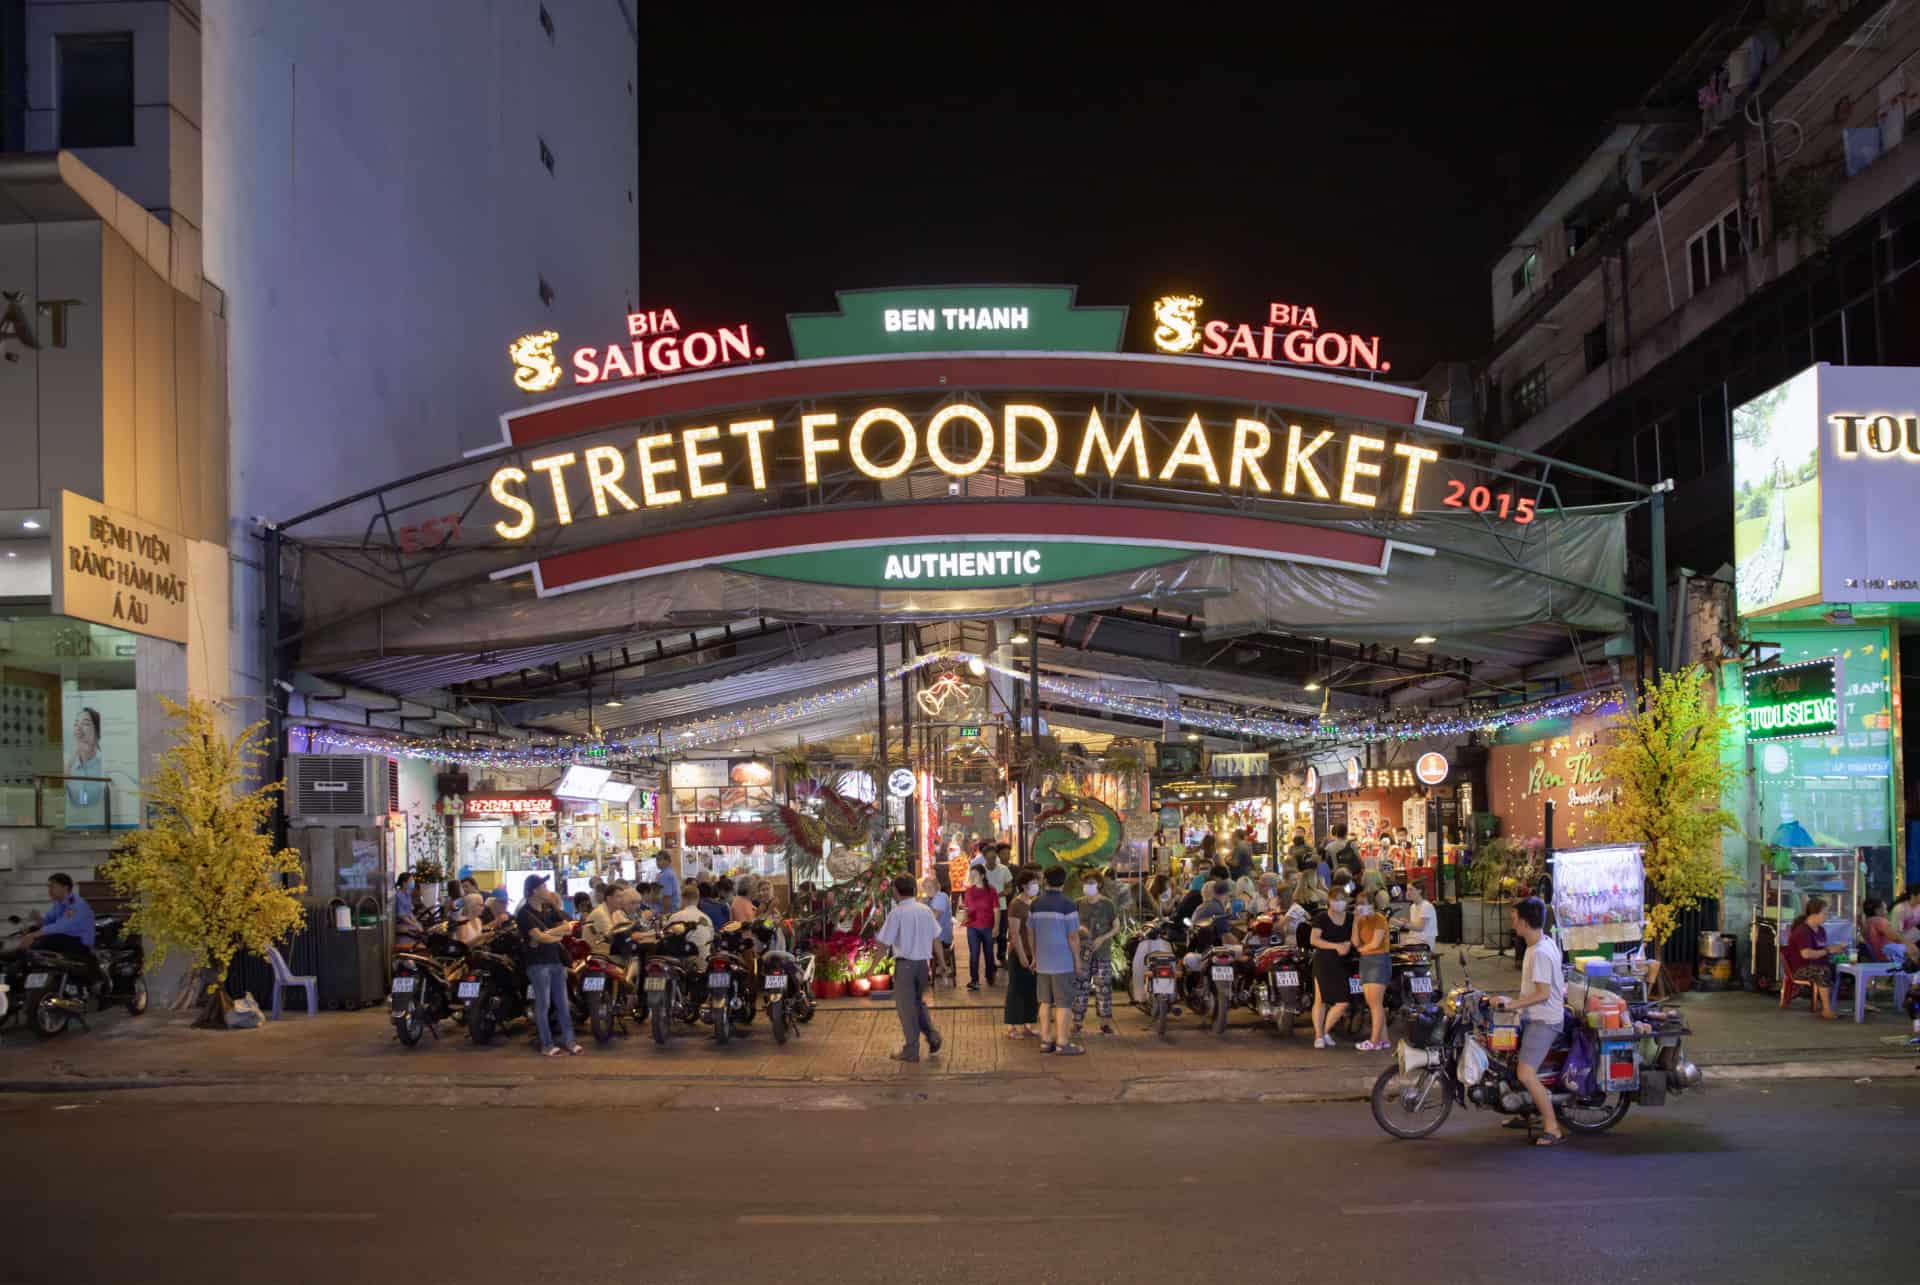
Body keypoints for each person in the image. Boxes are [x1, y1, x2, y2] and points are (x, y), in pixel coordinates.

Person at [1491, 897, 1566, 1145]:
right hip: (1534, 1014)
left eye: (1514, 920)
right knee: (1507, 1057)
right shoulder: (1538, 945)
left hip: (1544, 1020)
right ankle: (1525, 1110)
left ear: (1524, 922)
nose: (1512, 925)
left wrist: (1512, 1005)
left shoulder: (1541, 953)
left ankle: (1552, 1127)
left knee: (1525, 1073)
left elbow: (1543, 994)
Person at [876, 874, 943, 1062]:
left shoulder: (897, 913)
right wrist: (943, 964)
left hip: (905, 966)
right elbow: (936, 938)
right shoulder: (925, 910)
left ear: (896, 891)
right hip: (923, 966)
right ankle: (932, 1036)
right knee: (917, 1003)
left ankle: (911, 1049)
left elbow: (884, 943)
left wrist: (871, 967)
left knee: (906, 1008)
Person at [515, 876, 582, 1057]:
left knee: (562, 1003)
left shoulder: (549, 908)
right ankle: (547, 1044)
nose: (546, 889)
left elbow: (567, 927)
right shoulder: (524, 913)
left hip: (555, 961)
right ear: (534, 890)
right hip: (537, 964)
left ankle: (570, 1041)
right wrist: (552, 936)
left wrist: (549, 934)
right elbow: (538, 937)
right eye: (543, 886)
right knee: (543, 1004)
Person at [1029, 866, 1083, 1056]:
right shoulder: (1068, 905)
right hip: (1063, 961)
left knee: (1044, 1002)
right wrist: (1077, 960)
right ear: (1064, 881)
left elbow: (1031, 933)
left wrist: (1035, 956)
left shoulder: (1035, 904)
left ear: (1045, 880)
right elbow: (1073, 937)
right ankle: (1062, 1042)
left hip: (1043, 960)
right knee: (1063, 1003)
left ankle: (1046, 1040)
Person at [1073, 869, 1118, 1037]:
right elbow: (1071, 926)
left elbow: (1116, 926)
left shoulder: (1108, 904)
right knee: (1080, 987)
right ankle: (1077, 1023)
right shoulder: (1077, 903)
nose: (1088, 886)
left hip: (1102, 953)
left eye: (1091, 883)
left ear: (1099, 884)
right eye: (1086, 883)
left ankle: (1105, 1024)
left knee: (1104, 988)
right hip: (1082, 953)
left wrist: (1102, 938)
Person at [1309, 887, 1354, 1049]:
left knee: (1343, 1001)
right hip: (1324, 961)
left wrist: (1348, 944)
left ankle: (1325, 1031)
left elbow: (1355, 936)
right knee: (1320, 1000)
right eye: (1335, 899)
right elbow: (1314, 940)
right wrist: (1335, 946)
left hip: (1344, 962)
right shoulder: (1321, 917)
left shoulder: (1350, 918)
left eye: (1342, 899)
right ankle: (1318, 1035)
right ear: (1329, 900)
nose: (1339, 903)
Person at [1785, 897, 1840, 1018]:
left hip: (1817, 963)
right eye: (1824, 913)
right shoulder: (1802, 931)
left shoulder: (1821, 930)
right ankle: (1826, 1009)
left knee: (1841, 966)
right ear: (1814, 914)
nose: (1827, 916)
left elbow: (1822, 951)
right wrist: (1828, 950)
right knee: (1822, 971)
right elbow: (1806, 954)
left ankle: (1833, 1004)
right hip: (1801, 968)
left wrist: (1836, 952)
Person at [20, 872, 94, 960]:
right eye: (49, 887)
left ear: (65, 888)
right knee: (33, 932)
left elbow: (61, 926)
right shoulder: (59, 902)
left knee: (41, 942)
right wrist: (38, 920)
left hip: (80, 942)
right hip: (66, 937)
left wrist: (33, 935)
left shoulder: (75, 904)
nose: (49, 890)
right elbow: (48, 921)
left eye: (52, 887)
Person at [1002, 868, 1040, 1040]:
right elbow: (1015, 933)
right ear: (1024, 885)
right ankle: (1011, 1026)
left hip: (1033, 952)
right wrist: (1023, 956)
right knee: (1016, 990)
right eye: (1033, 882)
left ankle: (1027, 1024)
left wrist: (1034, 955)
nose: (1036, 885)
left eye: (1037, 882)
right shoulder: (1016, 904)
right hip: (1019, 953)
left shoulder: (1033, 902)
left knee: (1031, 990)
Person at [1353, 894, 1392, 1051]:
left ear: (1372, 905)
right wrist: (1355, 923)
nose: (1360, 907)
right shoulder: (1362, 921)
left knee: (1375, 1004)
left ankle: (1374, 1041)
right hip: (1366, 962)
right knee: (1374, 1004)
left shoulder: (1379, 919)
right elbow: (1355, 942)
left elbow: (1375, 943)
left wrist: (1362, 949)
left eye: (1364, 904)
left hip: (1378, 961)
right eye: (1358, 904)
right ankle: (1384, 1040)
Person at [961, 866, 999, 990]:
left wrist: (996, 927)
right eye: (971, 875)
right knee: (974, 954)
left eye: (975, 875)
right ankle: (974, 980)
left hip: (988, 926)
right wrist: (965, 917)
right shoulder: (969, 891)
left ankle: (990, 975)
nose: (972, 878)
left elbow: (996, 910)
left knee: (988, 953)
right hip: (972, 927)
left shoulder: (991, 890)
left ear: (982, 876)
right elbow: (967, 908)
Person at [65, 707, 106, 809]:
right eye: (76, 724)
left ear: (97, 732)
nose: (78, 728)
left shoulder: (105, 765)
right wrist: (71, 760)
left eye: (85, 723)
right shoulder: (67, 764)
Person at [666, 885, 716, 963]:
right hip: (703, 962)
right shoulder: (707, 918)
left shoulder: (675, 917)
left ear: (683, 899)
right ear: (698, 899)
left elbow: (666, 938)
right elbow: (711, 939)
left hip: (682, 963)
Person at [920, 876, 954, 985]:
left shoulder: (940, 897)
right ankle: (926, 972)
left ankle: (941, 967)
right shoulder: (930, 900)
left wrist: (922, 906)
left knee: (932, 938)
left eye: (930, 887)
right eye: (925, 888)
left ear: (937, 887)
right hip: (937, 936)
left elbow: (933, 917)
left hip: (944, 938)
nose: (927, 890)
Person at [1861, 898, 1912, 965]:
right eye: (1885, 909)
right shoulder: (1879, 921)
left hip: (1878, 959)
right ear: (1877, 911)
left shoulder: (1866, 923)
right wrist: (1912, 946)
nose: (1887, 912)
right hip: (1888, 959)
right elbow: (1896, 938)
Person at [1191, 879, 1237, 946]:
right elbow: (1228, 939)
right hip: (1204, 951)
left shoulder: (1206, 906)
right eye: (1229, 896)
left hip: (1195, 946)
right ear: (1226, 895)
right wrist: (1242, 946)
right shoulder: (1217, 910)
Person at [1404, 880, 1438, 951]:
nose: (1408, 893)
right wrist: (1407, 923)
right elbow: (1415, 925)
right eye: (1407, 890)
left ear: (1419, 891)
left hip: (1425, 943)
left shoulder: (1426, 906)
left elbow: (1420, 928)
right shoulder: (1412, 907)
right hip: (1415, 940)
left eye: (1411, 890)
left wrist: (1404, 924)